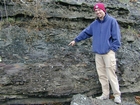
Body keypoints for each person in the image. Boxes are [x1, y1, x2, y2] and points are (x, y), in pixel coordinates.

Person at [68, 2, 121, 104]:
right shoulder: (94, 24)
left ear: (104, 10)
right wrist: (76, 40)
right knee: (102, 75)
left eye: (99, 10)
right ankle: (105, 95)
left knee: (111, 75)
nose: (98, 12)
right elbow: (86, 33)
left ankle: (117, 96)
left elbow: (117, 38)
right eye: (96, 11)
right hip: (98, 54)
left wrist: (112, 49)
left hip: (108, 53)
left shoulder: (112, 21)